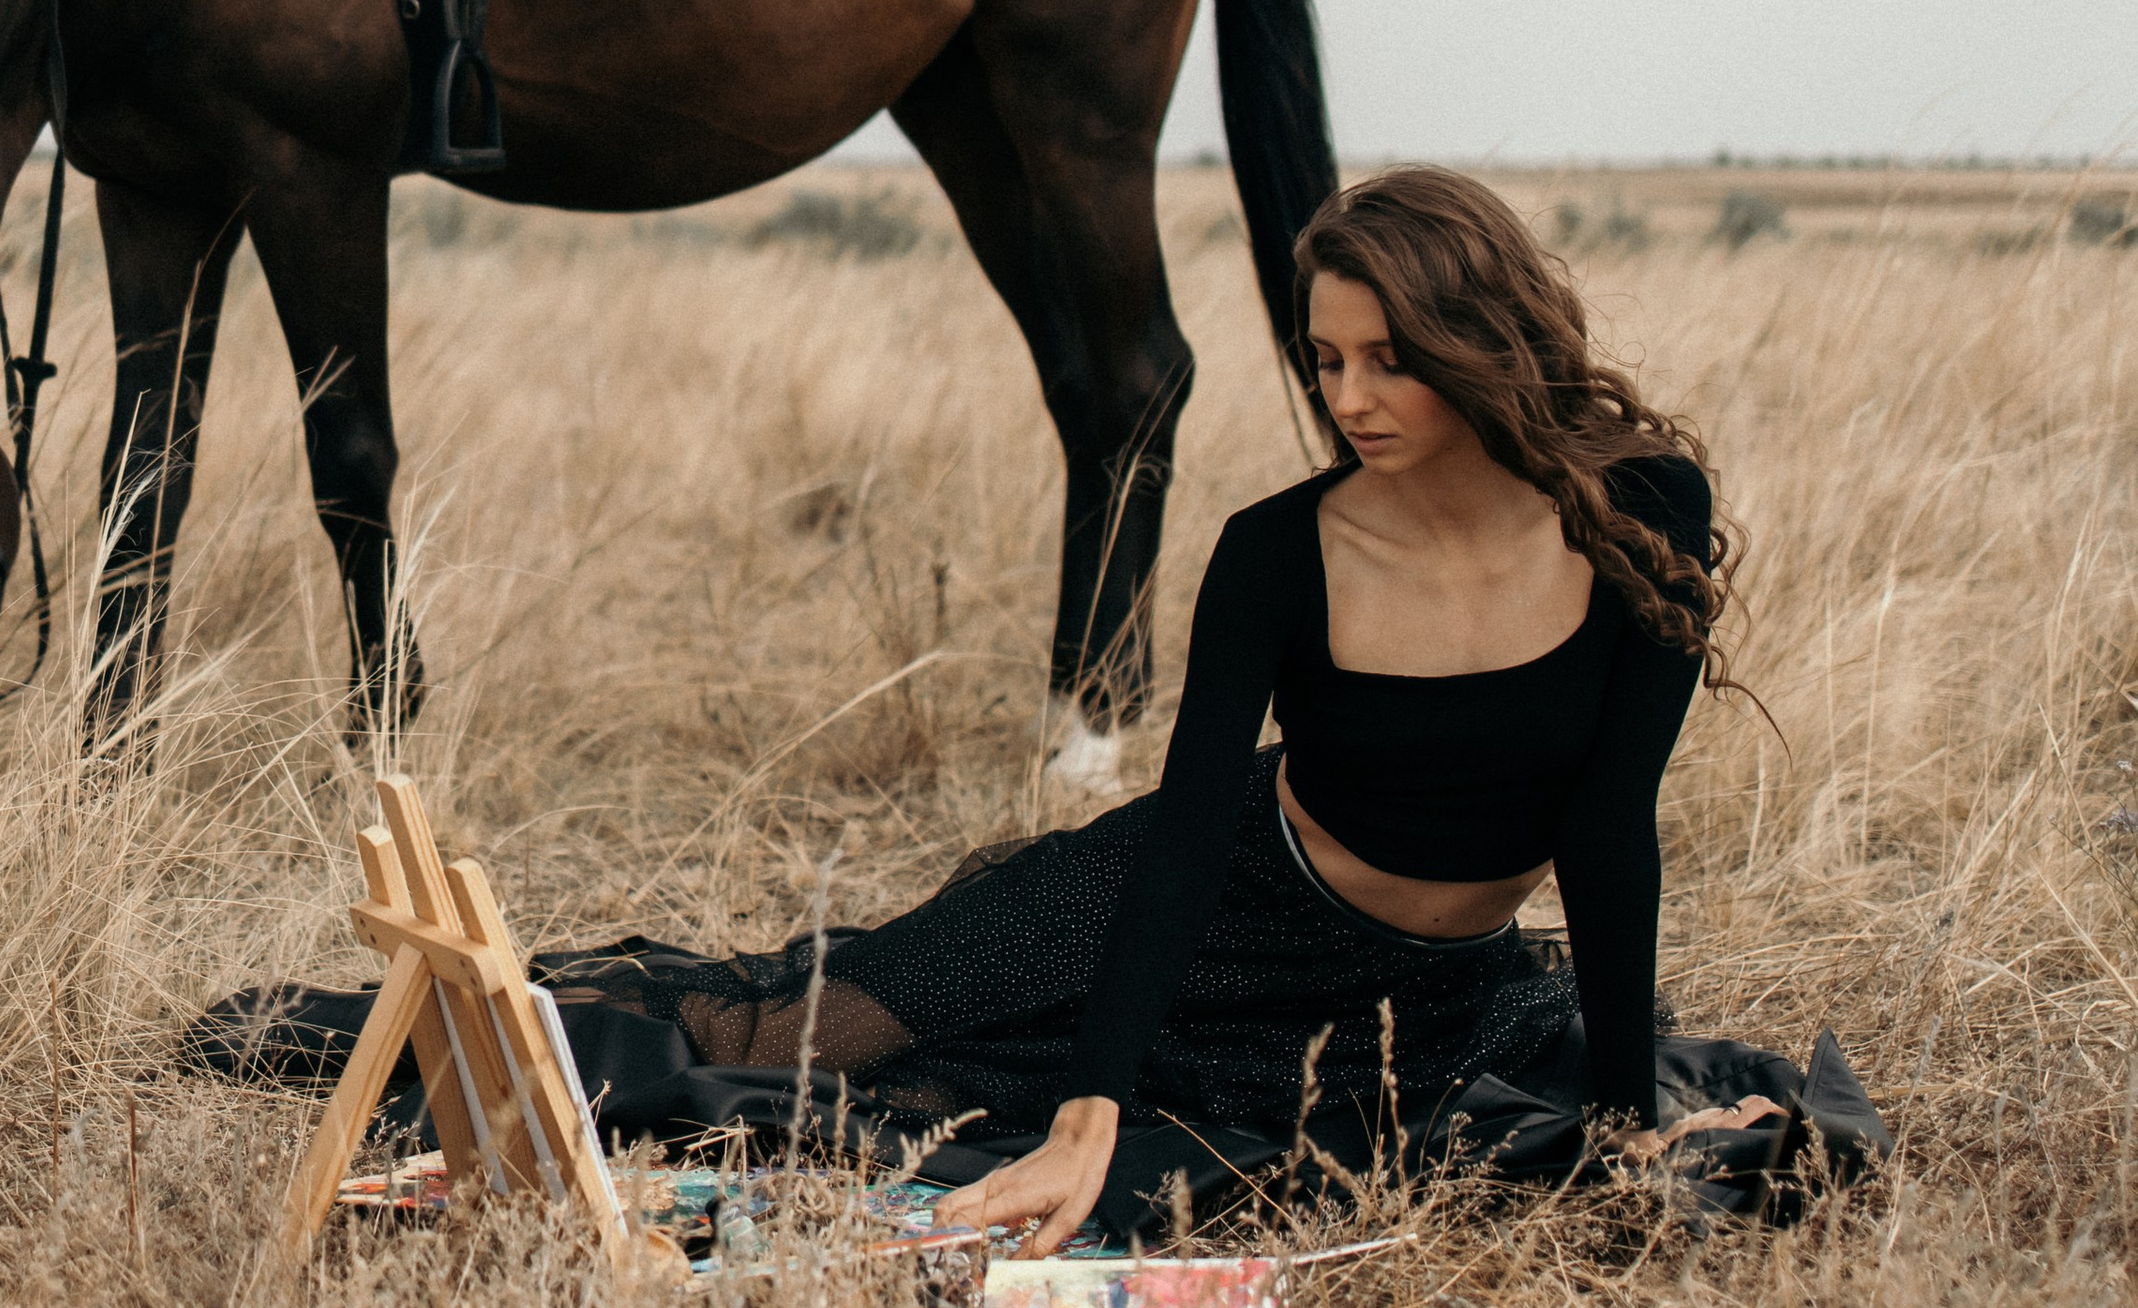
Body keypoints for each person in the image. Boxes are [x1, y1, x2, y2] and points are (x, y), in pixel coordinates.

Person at [512, 166, 1738, 1247]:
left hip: (1425, 994)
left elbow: (1608, 826)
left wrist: (1625, 1119)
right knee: (786, 1042)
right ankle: (409, 1029)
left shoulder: (1642, 511)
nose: (1348, 398)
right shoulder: (1277, 552)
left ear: (1480, 339)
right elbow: (1189, 836)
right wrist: (1087, 1117)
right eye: (1324, 360)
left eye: (1389, 359)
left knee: (973, 1104)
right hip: (1211, 901)